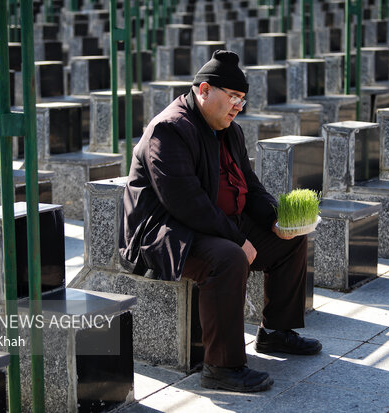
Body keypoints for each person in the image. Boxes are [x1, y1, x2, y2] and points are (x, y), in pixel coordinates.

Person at [119, 50, 322, 393]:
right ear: (204, 90)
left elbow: (250, 184)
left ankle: (275, 332)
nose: (238, 106)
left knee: (290, 241)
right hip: (167, 232)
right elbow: (185, 202)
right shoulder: (169, 129)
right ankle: (222, 367)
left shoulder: (230, 130)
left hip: (214, 222)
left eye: (242, 99)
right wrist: (237, 240)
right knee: (228, 258)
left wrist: (275, 219)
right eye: (232, 97)